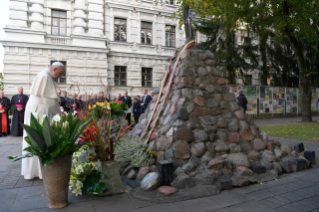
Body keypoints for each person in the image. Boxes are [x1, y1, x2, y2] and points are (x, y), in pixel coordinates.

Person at [21, 61, 65, 179]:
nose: (59, 77)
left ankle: (35, 171)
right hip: (39, 111)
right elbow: (50, 102)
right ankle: (39, 171)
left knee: (36, 138)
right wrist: (60, 115)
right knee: (40, 138)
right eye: (60, 74)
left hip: (36, 109)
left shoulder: (44, 75)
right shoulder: (46, 77)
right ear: (54, 69)